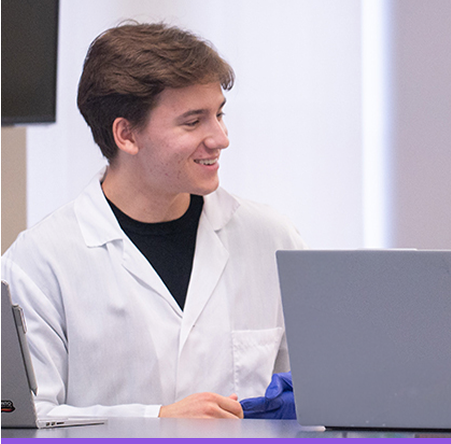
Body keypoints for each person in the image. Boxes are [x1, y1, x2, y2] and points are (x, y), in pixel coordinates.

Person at [0, 22, 306, 418]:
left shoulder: (271, 238)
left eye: (219, 114)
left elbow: (311, 399)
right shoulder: (39, 262)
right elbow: (24, 418)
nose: (220, 137)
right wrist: (156, 419)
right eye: (194, 121)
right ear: (126, 135)